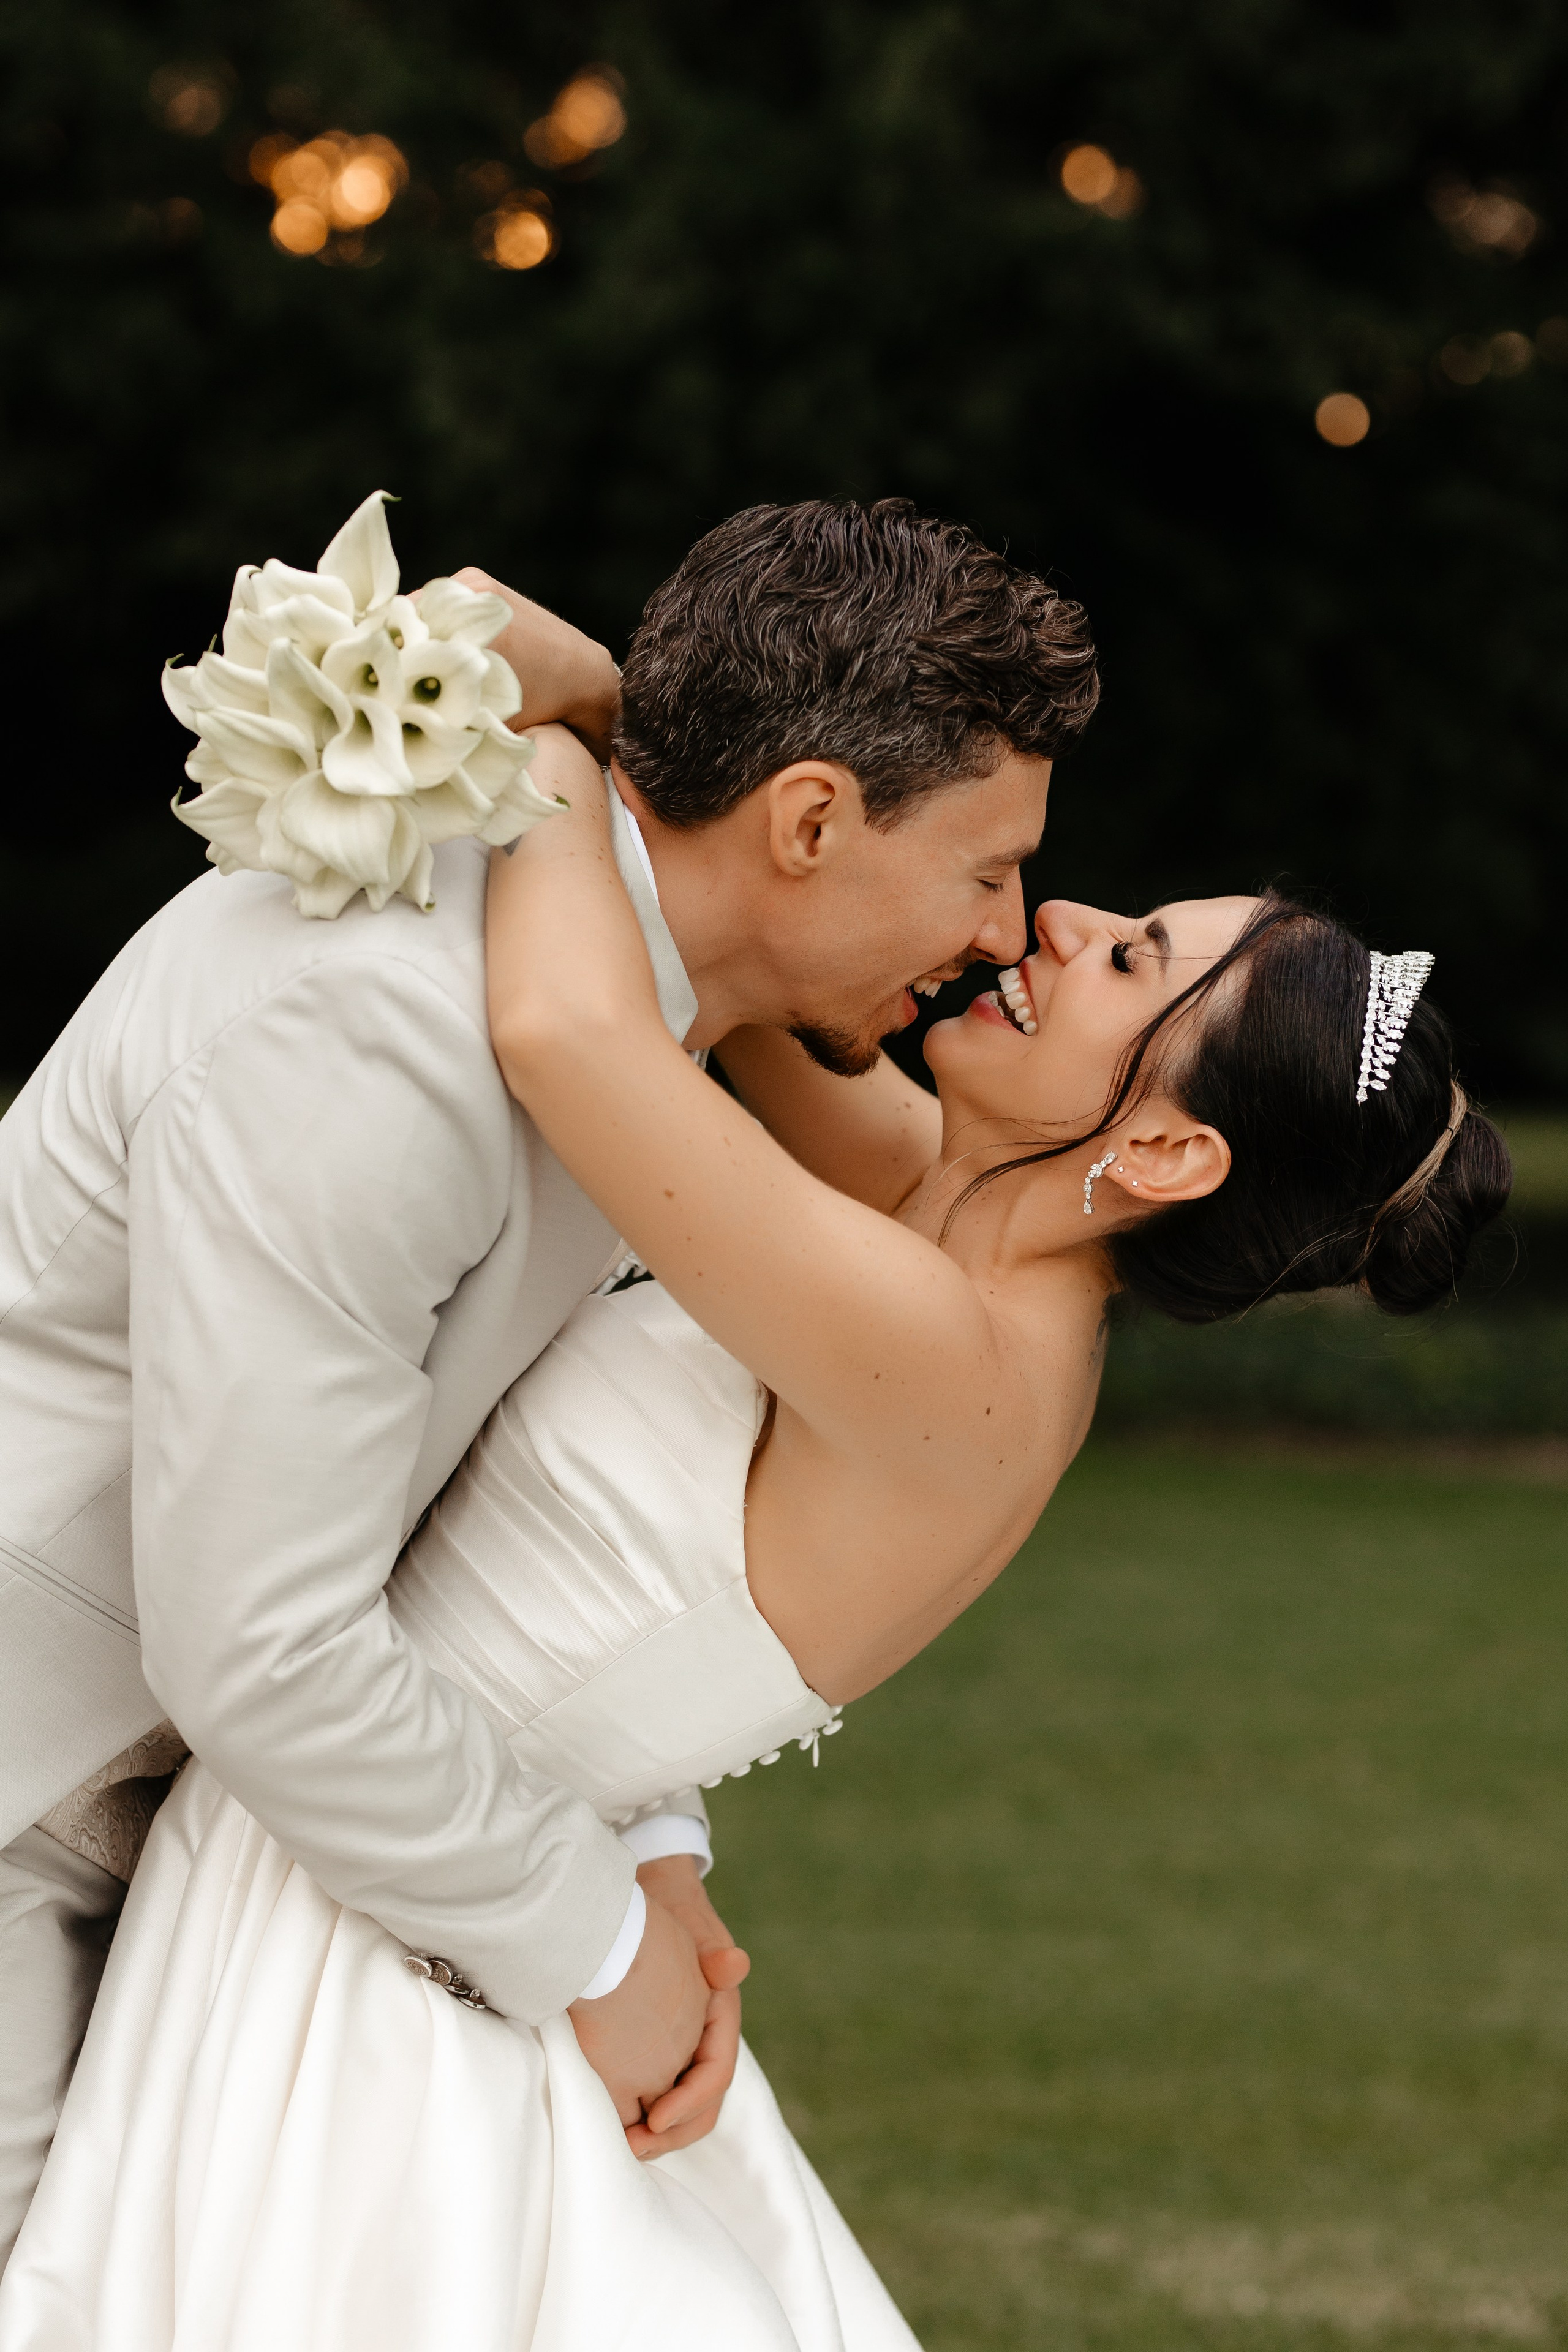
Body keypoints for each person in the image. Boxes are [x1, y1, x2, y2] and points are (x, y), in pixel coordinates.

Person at [0, 723, 1509, 2348]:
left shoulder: (962, 1361)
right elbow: (759, 951)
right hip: (409, 1835)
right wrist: (656, 1845)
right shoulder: (943, 1197)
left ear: (1161, 1150)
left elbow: (573, 1024)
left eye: (1133, 959)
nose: (1054, 923)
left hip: (385, 1920)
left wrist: (554, 736)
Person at [0, 494, 1098, 2271]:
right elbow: (259, 1634)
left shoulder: (598, 1000)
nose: (1007, 929)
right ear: (812, 819)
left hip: (199, 1834)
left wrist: (642, 1827)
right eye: (989, 869)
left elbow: (482, 1497)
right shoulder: (385, 1023)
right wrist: (590, 1941)